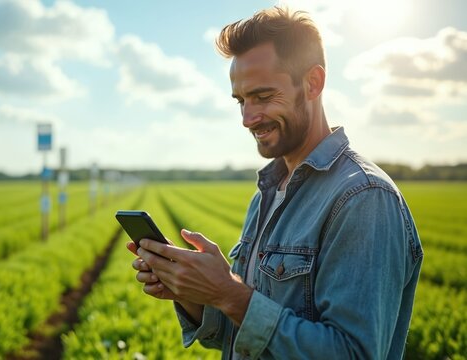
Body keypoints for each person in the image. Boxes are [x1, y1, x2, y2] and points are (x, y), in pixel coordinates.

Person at [126, 6, 423, 360]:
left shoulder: (363, 197)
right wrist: (192, 293)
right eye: (241, 100)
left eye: (263, 97)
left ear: (313, 83)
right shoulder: (269, 193)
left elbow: (352, 353)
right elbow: (239, 336)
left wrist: (228, 293)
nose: (248, 118)